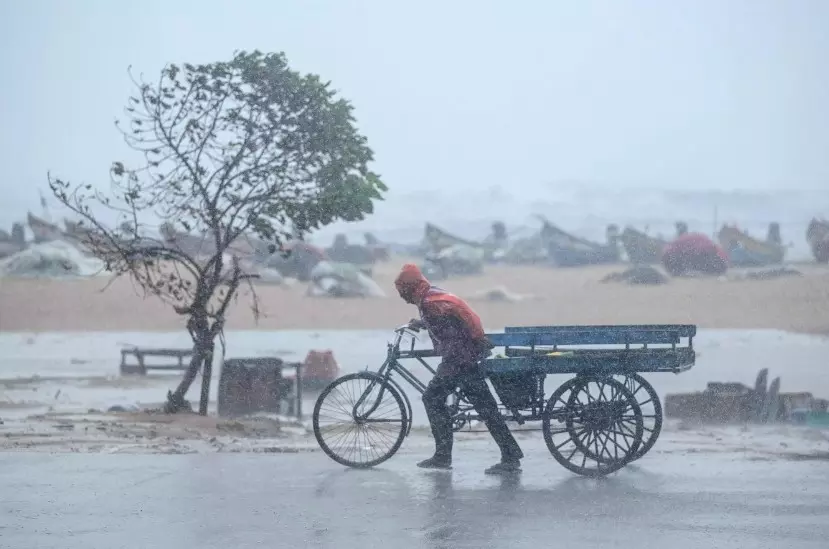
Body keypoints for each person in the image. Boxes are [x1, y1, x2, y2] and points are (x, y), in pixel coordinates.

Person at [394, 263, 524, 474]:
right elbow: (452, 322)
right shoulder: (432, 296)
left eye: (403, 292)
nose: (403, 298)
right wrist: (423, 323)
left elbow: (451, 334)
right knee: (486, 407)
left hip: (460, 359)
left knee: (432, 398)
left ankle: (443, 456)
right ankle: (510, 455)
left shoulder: (429, 304)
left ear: (410, 288)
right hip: (467, 356)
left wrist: (450, 365)